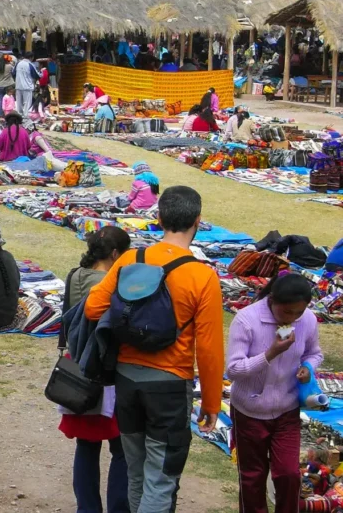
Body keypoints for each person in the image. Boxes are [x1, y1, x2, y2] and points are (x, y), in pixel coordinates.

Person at [84, 186, 224, 512]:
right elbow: (209, 348)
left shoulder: (132, 259)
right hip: (169, 387)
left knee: (137, 472)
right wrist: (212, 402)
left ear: (158, 218)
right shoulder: (202, 276)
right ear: (198, 221)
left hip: (126, 381)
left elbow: (92, 308)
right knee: (161, 479)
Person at [227, 273, 321, 513]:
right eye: (287, 312)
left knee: (289, 474)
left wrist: (308, 368)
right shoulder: (247, 320)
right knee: (253, 477)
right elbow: (234, 370)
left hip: (287, 409)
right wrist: (270, 354)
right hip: (249, 410)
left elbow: (314, 353)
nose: (293, 318)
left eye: (298, 312)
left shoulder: (307, 320)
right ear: (272, 300)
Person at [59, 226, 132, 513]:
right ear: (116, 254)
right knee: (122, 449)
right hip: (109, 373)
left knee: (86, 447)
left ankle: (87, 509)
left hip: (78, 369)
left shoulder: (75, 276)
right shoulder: (113, 285)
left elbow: (65, 323)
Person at [14, 53, 39, 118]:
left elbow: (13, 73)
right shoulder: (30, 65)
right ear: (31, 57)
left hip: (18, 86)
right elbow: (37, 75)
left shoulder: (18, 63)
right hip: (27, 87)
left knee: (19, 103)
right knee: (27, 104)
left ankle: (19, 116)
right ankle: (25, 117)